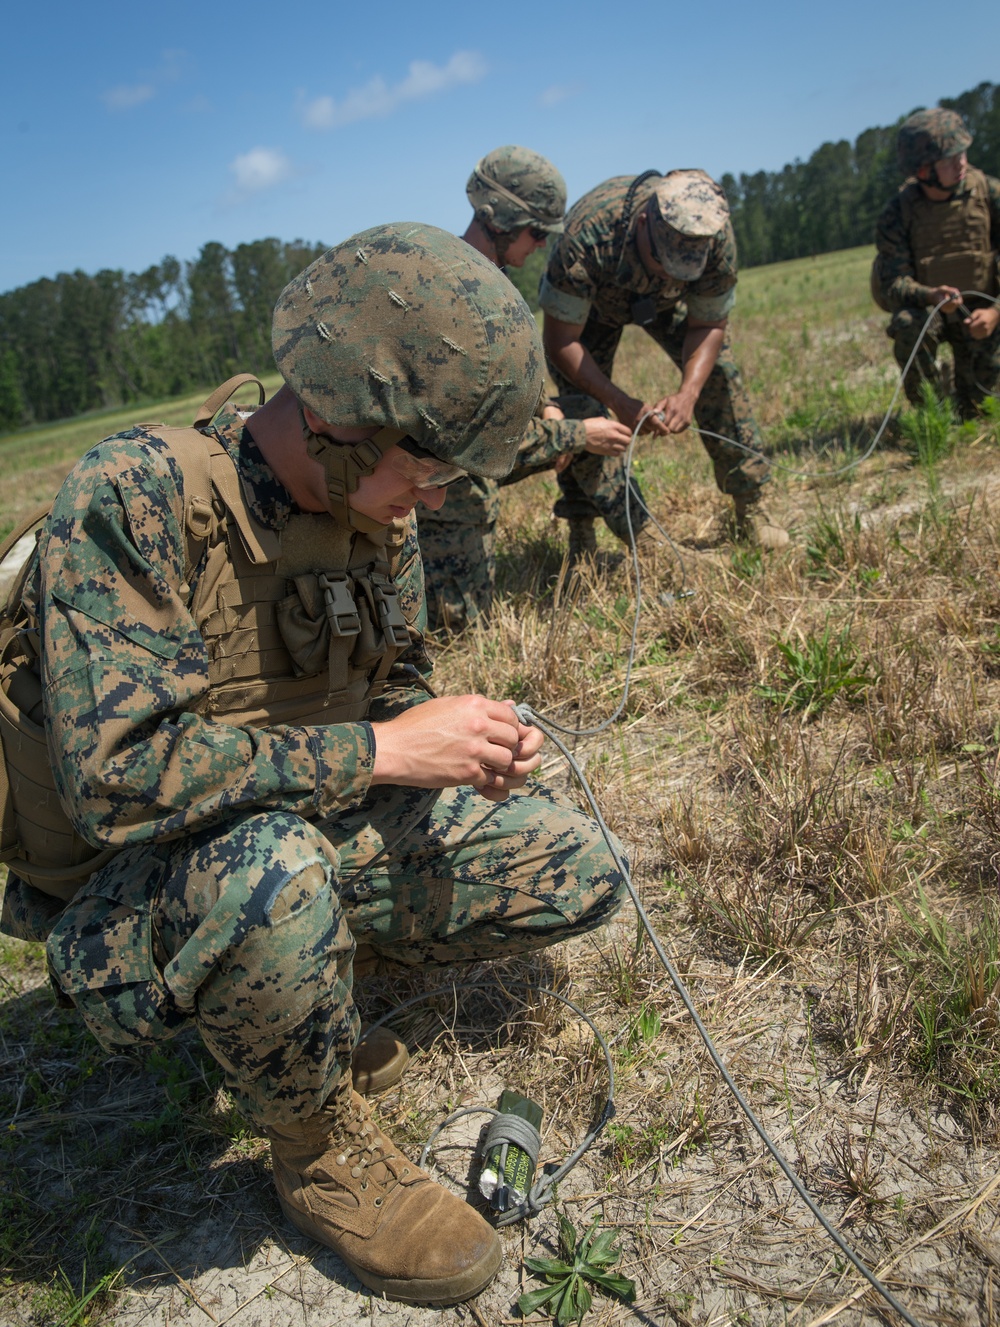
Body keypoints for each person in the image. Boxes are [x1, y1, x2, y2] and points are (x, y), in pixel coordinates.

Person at [0, 224, 625, 1307]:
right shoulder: (135, 494)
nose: (433, 500)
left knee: (567, 864)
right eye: (424, 469)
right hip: (117, 902)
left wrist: (446, 740)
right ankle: (319, 1142)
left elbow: (389, 688)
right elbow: (118, 777)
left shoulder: (376, 513)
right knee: (273, 868)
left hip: (279, 834)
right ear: (339, 421)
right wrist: (385, 749)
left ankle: (294, 1002)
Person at [417, 145, 635, 633]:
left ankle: (630, 542)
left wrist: (553, 410)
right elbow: (474, 443)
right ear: (501, 221)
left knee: (582, 408)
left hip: (465, 458)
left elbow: (522, 386)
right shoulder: (451, 299)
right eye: (536, 232)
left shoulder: (491, 286)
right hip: (428, 480)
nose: (540, 246)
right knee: (461, 630)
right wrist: (576, 437)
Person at [540, 169, 788, 551]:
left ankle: (751, 506)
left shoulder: (714, 232)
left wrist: (688, 393)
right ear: (644, 225)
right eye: (664, 259)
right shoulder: (589, 235)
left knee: (718, 375)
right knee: (580, 409)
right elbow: (561, 341)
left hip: (667, 307)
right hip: (593, 313)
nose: (671, 271)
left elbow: (709, 323)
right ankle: (582, 530)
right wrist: (619, 402)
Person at [873, 108, 1000, 418]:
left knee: (983, 409)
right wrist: (930, 296)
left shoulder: (988, 194)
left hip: (987, 315)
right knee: (907, 323)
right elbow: (892, 283)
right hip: (936, 315)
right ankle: (935, 410)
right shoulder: (898, 214)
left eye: (962, 154)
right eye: (948, 160)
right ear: (922, 170)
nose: (961, 164)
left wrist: (996, 313)